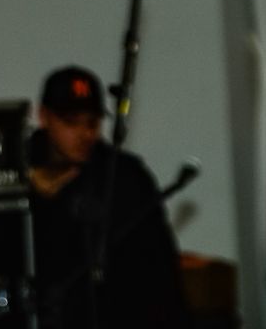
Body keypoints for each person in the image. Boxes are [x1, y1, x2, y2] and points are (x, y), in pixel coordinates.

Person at [27, 65, 188, 328]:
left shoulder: (123, 176)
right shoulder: (16, 173)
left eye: (92, 122)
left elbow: (159, 270)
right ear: (43, 116)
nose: (84, 133)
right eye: (71, 122)